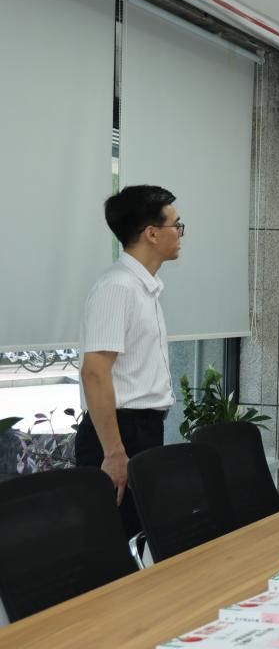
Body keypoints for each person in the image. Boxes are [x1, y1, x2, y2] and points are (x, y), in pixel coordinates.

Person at [76, 185, 183, 542]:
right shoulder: (117, 287)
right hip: (120, 433)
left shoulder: (144, 288)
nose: (180, 233)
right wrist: (114, 452)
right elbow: (94, 372)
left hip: (143, 429)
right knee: (116, 542)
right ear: (151, 233)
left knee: (141, 535)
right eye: (176, 225)